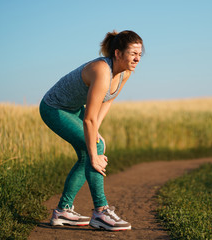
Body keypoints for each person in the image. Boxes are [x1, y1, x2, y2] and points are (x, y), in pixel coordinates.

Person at [39, 30, 144, 231]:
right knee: (93, 150)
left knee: (93, 147)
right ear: (118, 53)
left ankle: (63, 211)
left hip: (73, 109)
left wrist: (96, 132)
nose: (137, 58)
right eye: (132, 53)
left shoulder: (125, 73)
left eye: (139, 54)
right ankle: (100, 211)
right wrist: (95, 153)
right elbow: (88, 119)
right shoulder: (102, 71)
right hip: (54, 108)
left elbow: (107, 101)